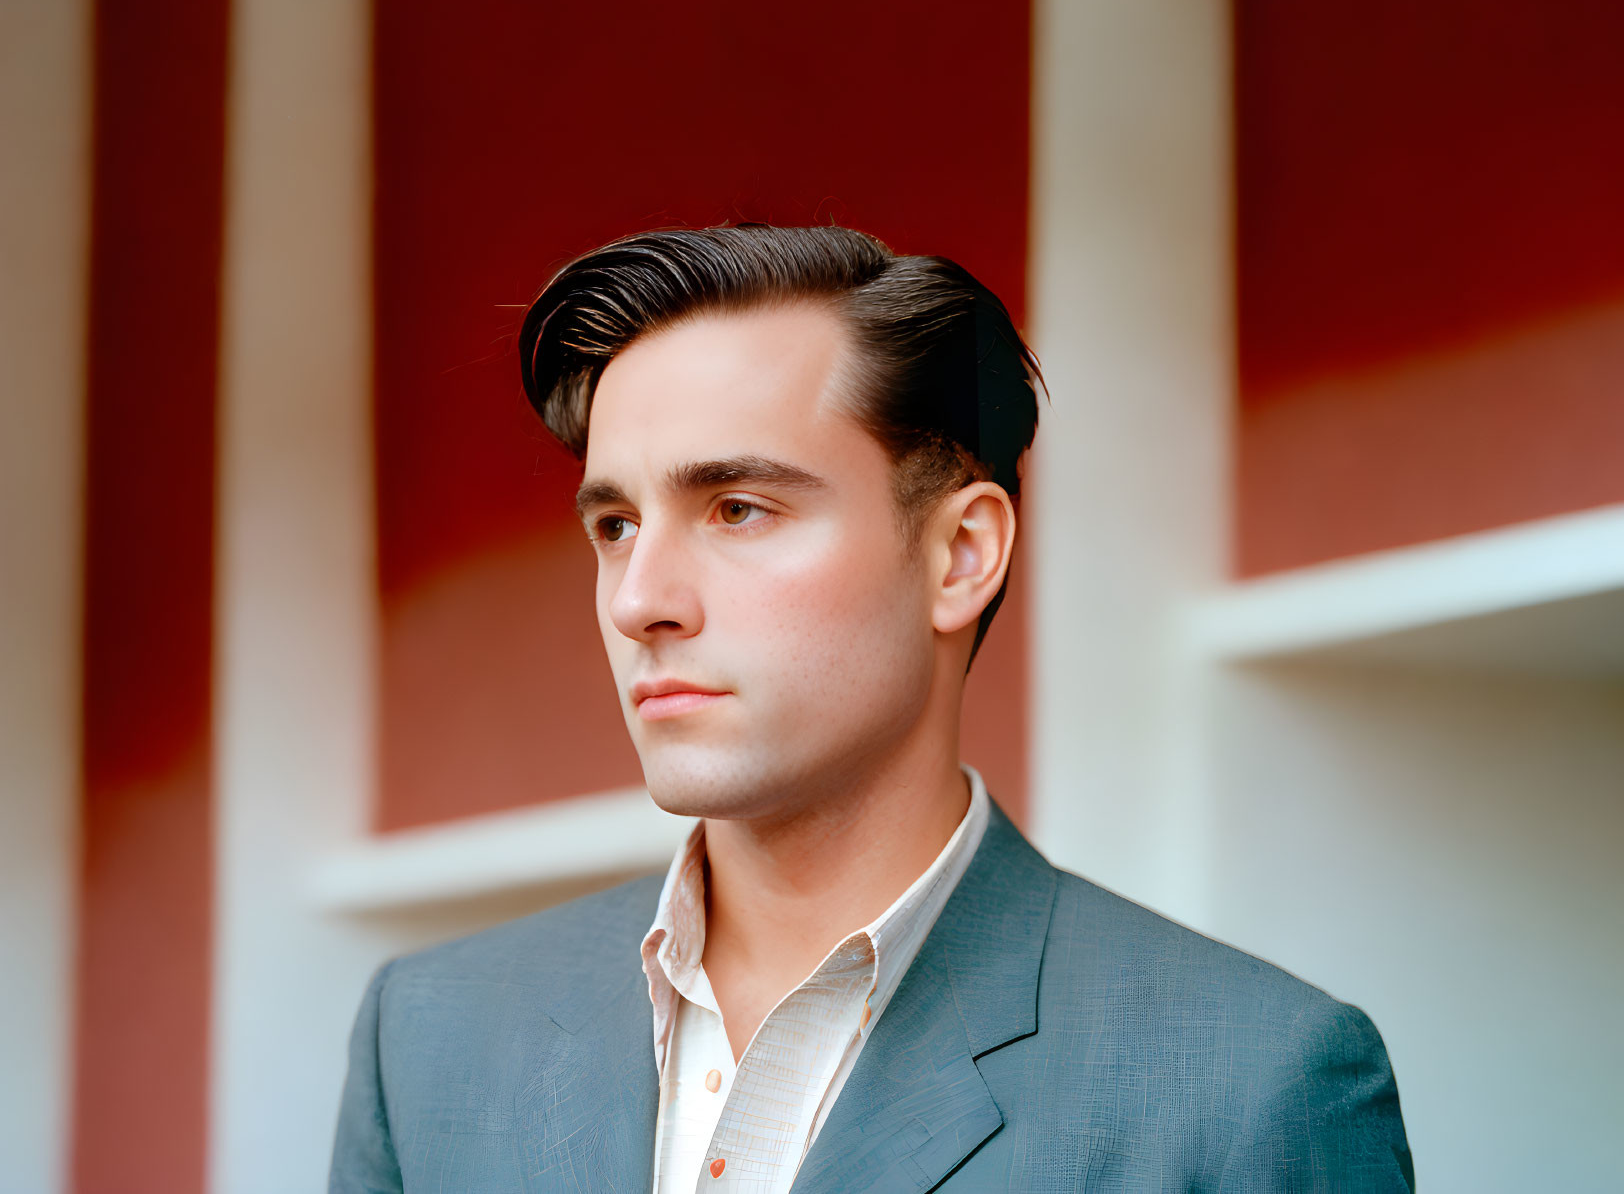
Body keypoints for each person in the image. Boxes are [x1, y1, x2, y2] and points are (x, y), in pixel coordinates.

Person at [329, 224, 1414, 1192]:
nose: (639, 599)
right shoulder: (428, 1038)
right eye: (613, 524)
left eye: (737, 508)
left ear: (959, 554)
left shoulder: (1249, 1084)